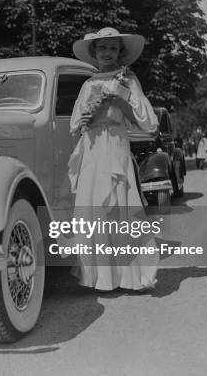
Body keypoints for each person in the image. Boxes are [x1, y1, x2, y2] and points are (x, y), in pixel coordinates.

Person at [68, 27, 159, 291]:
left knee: (120, 206)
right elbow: (76, 123)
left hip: (116, 143)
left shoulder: (128, 80)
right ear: (94, 53)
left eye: (112, 48)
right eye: (102, 48)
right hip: (92, 147)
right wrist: (84, 120)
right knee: (94, 206)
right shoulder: (87, 84)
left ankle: (131, 277)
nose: (107, 53)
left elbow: (147, 122)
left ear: (120, 52)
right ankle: (99, 278)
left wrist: (120, 100)